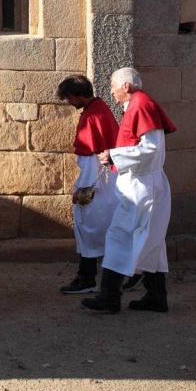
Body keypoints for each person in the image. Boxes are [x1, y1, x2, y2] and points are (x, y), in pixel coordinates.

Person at [82, 67, 176, 315]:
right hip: (145, 183)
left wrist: (114, 154)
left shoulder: (140, 105)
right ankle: (156, 297)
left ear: (125, 86)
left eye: (113, 86)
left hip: (141, 187)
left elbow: (151, 149)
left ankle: (109, 297)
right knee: (152, 242)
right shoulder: (141, 104)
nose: (111, 92)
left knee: (119, 237)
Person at [56, 74, 120, 294]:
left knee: (86, 229)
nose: (69, 103)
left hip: (95, 182)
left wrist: (80, 190)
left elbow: (89, 157)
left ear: (78, 95)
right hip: (107, 182)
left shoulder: (92, 116)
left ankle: (87, 279)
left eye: (70, 98)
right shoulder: (100, 109)